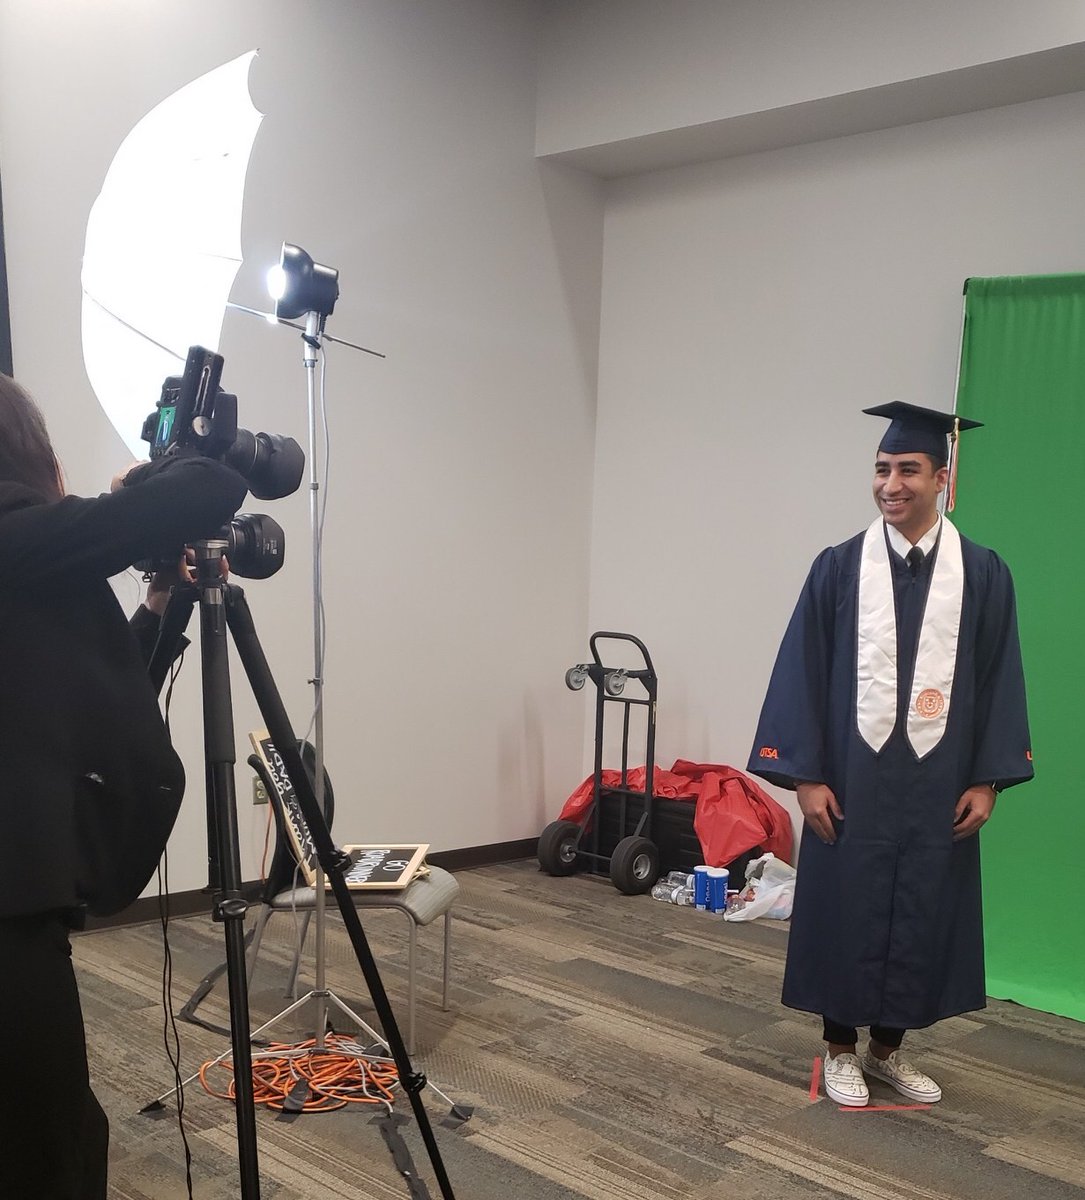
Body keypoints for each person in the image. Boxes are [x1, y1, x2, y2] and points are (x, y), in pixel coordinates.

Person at [0, 373, 247, 1199]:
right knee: (48, 1145)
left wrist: (159, 601)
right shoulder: (16, 537)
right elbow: (213, 481)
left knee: (56, 1123)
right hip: (7, 922)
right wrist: (153, 482)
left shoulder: (25, 570)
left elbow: (83, 709)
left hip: (22, 907)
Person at [747, 401, 1033, 1108]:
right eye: (881, 469)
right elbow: (801, 671)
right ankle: (839, 1049)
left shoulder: (984, 575)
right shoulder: (839, 569)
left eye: (907, 468)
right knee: (848, 903)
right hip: (853, 780)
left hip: (939, 784)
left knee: (923, 908)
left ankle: (887, 1051)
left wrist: (988, 778)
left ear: (943, 479)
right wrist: (805, 775)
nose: (890, 483)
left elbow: (1000, 678)